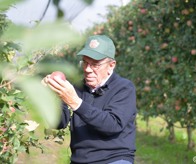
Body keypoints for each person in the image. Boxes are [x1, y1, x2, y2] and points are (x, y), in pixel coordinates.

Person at [43, 35, 137, 164]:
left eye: (95, 65)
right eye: (85, 62)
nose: (87, 69)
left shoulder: (124, 88)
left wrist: (75, 102)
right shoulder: (78, 88)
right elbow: (59, 123)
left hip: (114, 159)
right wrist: (54, 96)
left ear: (111, 65)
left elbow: (113, 125)